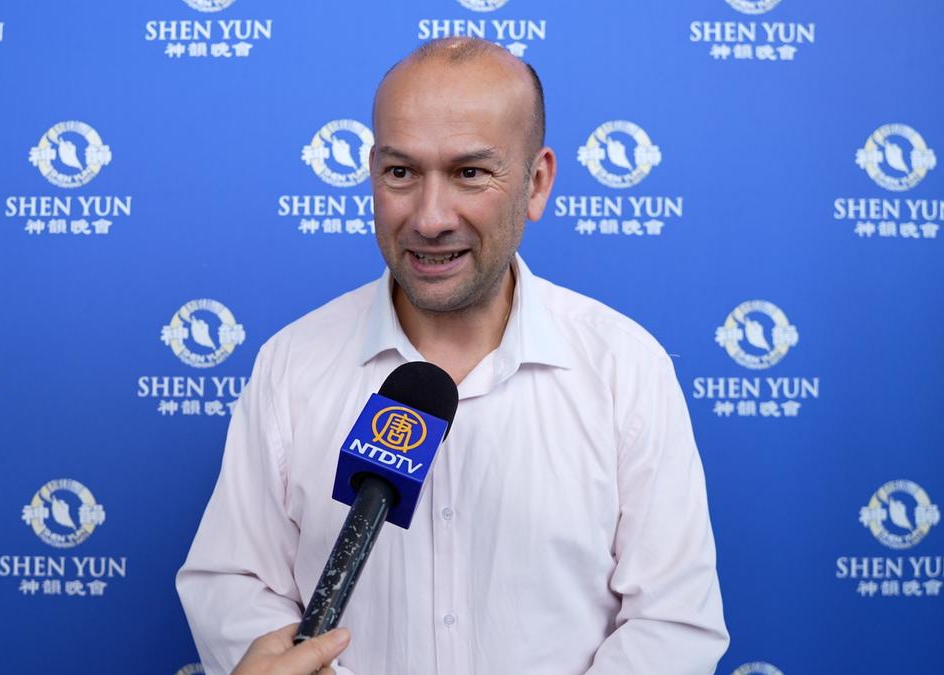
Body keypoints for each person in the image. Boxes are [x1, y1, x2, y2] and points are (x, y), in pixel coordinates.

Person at [178, 37, 729, 674]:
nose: (430, 218)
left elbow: (670, 621)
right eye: (401, 173)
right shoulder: (292, 363)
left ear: (536, 182)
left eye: (469, 173)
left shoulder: (626, 367)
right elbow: (234, 584)